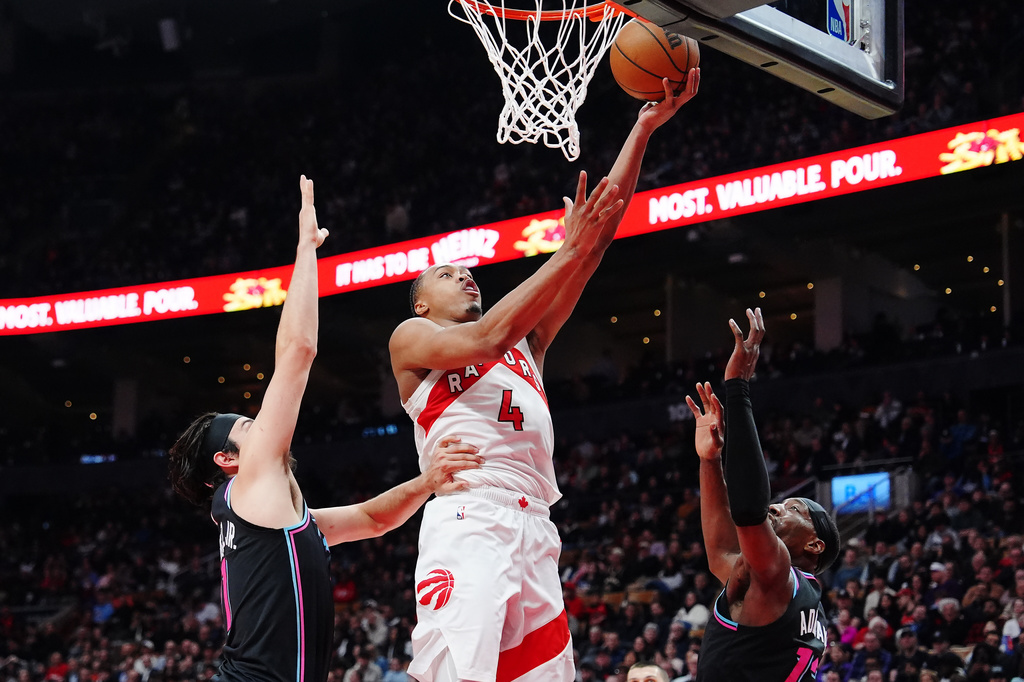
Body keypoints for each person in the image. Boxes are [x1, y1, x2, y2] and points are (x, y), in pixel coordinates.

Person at [388, 72, 700, 682]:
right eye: (450, 276)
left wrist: (642, 127)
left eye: (470, 272)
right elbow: (485, 338)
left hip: (536, 523)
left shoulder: (527, 343)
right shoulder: (413, 338)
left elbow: (597, 237)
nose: (467, 277)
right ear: (422, 303)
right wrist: (562, 252)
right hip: (469, 515)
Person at [168, 177, 482, 682]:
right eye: (250, 427)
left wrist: (426, 482)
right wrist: (305, 250)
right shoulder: (248, 486)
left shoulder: (274, 521)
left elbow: (370, 519)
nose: (265, 428)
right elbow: (298, 352)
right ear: (227, 461)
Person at [684, 309, 841, 682]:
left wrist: (737, 384)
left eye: (794, 508)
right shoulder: (782, 592)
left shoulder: (778, 578)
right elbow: (721, 552)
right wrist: (710, 460)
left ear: (815, 544)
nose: (777, 506)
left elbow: (750, 510)